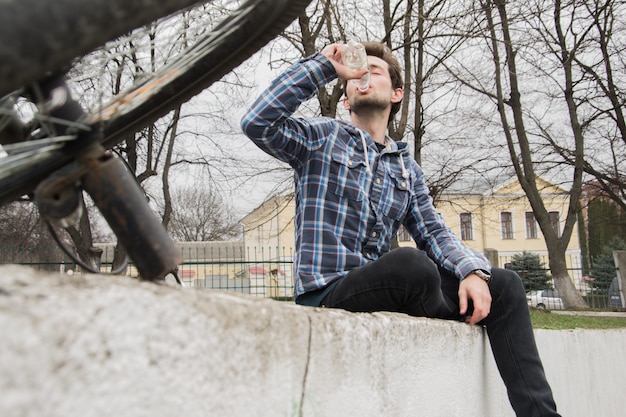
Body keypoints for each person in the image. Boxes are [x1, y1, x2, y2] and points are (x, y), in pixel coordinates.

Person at [241, 41, 560, 417]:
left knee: (503, 284)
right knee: (412, 266)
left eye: (374, 71)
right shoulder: (320, 138)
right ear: (345, 98)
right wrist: (325, 67)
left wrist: (471, 271)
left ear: (396, 94)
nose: (363, 77)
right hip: (327, 292)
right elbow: (257, 121)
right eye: (356, 75)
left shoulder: (407, 170)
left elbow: (435, 232)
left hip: (385, 290)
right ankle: (448, 312)